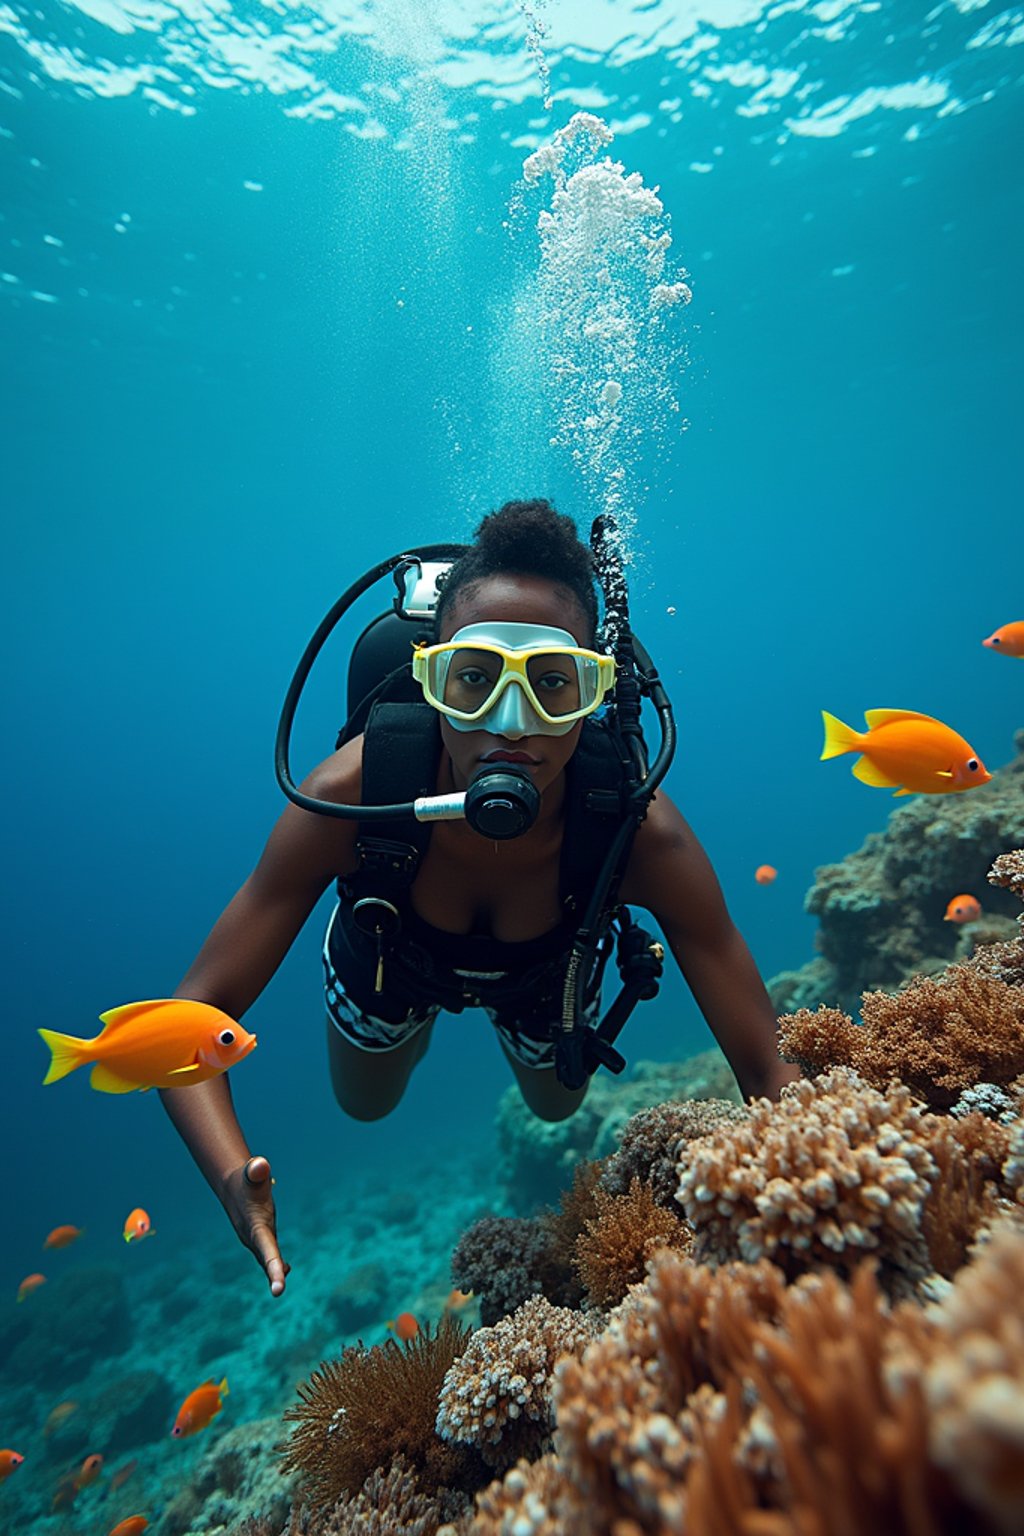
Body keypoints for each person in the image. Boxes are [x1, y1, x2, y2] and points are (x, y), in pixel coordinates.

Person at [160, 500, 799, 1297]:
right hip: (389, 961)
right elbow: (193, 1012)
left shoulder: (638, 831)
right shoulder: (350, 797)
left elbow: (767, 1064)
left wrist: (815, 1184)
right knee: (366, 1105)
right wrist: (230, 1179)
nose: (510, 725)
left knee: (555, 1109)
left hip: (547, 980)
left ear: (596, 691)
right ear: (432, 679)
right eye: (474, 680)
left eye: (553, 686)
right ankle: (408, 1020)